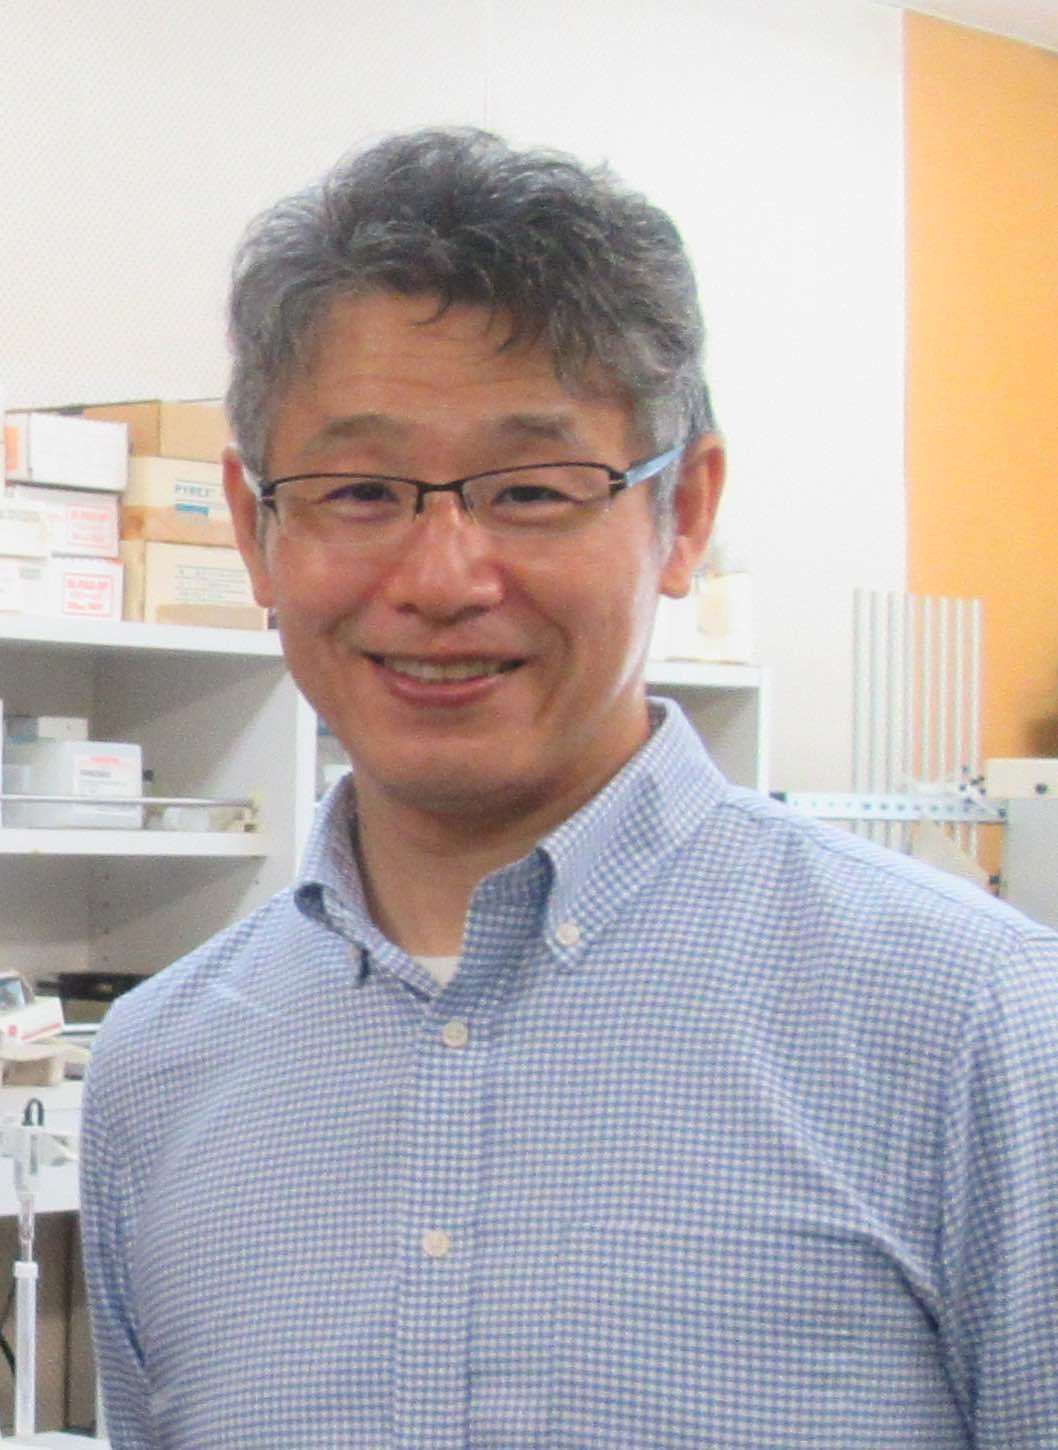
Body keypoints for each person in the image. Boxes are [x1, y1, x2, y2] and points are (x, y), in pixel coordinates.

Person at [80, 127, 1058, 1450]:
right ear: (255, 528)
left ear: (684, 513)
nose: (441, 579)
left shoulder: (972, 1025)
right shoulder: (158, 1069)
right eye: (359, 490)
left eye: (532, 490)